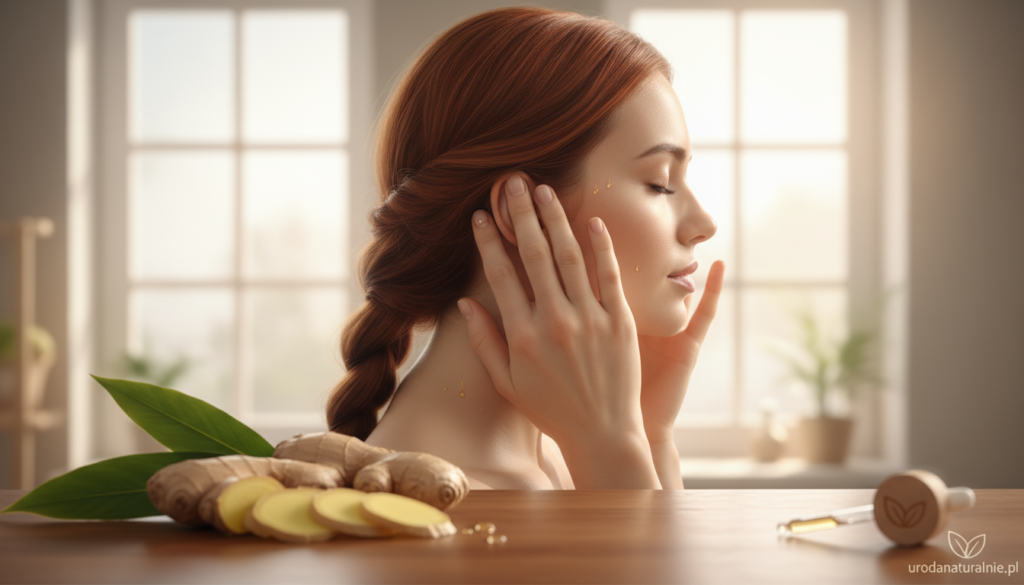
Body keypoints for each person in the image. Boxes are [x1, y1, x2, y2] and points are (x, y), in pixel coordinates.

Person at [326, 6, 725, 490]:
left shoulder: (565, 454)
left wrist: (646, 433)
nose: (703, 224)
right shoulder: (449, 499)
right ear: (523, 211)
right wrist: (614, 450)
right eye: (660, 183)